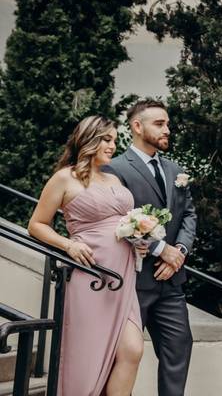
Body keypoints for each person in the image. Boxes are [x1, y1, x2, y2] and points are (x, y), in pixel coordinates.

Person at [28, 115, 144, 396]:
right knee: (88, 358)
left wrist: (137, 240)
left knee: (132, 349)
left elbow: (120, 224)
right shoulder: (64, 178)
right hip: (90, 278)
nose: (112, 145)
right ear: (89, 139)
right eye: (107, 139)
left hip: (122, 279)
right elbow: (36, 225)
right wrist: (68, 245)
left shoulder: (114, 178)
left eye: (115, 140)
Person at [104, 99, 195, 396]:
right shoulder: (114, 169)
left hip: (172, 282)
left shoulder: (176, 170)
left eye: (167, 123)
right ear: (137, 126)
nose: (167, 129)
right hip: (132, 281)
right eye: (160, 124)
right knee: (122, 357)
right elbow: (116, 222)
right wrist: (159, 249)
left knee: (179, 348)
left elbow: (189, 215)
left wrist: (178, 252)